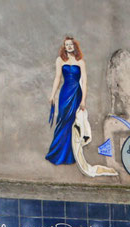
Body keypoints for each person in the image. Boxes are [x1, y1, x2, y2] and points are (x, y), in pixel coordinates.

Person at [46, 36, 87, 166]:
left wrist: (83, 100)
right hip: (65, 93)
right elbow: (57, 78)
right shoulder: (60, 60)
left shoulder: (80, 61)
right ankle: (56, 153)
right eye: (66, 45)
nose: (69, 46)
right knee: (63, 120)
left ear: (74, 46)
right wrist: (52, 95)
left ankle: (70, 155)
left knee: (71, 122)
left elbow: (85, 82)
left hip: (76, 93)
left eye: (71, 44)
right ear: (64, 47)